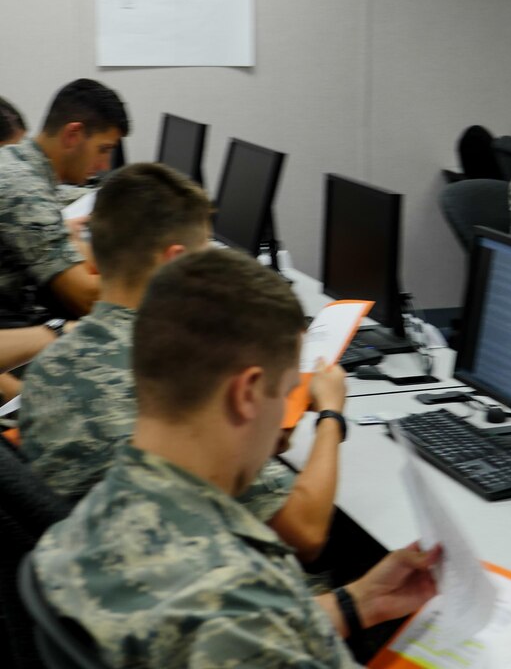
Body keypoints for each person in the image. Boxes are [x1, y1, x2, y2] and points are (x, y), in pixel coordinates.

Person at [31, 248, 438, 667]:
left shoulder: (87, 520)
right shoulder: (236, 593)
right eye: (285, 394)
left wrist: (358, 603)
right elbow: (239, 628)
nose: (284, 418)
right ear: (246, 394)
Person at [20, 163, 344, 563]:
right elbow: (306, 531)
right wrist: (331, 413)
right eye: (205, 251)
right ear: (174, 262)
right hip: (223, 601)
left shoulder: (46, 364)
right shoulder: (180, 388)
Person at [0, 79, 129, 321]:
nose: (105, 165)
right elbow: (86, 299)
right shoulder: (25, 189)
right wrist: (162, 277)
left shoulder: (16, 162)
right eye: (103, 149)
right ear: (73, 135)